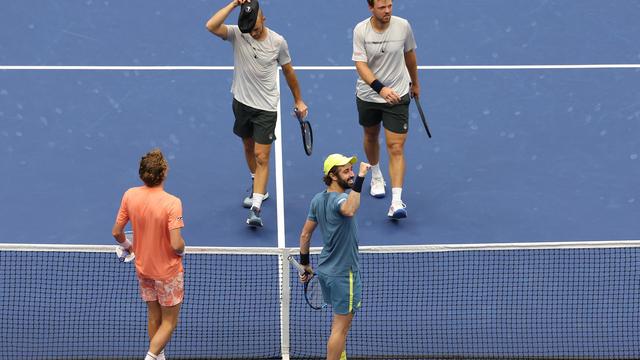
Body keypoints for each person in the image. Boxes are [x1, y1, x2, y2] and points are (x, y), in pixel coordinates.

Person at [205, 0, 309, 227]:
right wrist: (233, 4)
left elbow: (289, 72)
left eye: (256, 26)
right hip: (241, 103)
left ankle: (256, 207)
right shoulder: (238, 33)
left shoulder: (278, 42)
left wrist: (298, 100)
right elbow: (211, 26)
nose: (253, 31)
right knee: (247, 147)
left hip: (266, 109)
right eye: (249, 27)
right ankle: (257, 183)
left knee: (262, 156)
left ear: (264, 18)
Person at [112, 149, 186, 360]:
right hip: (168, 272)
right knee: (170, 321)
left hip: (143, 269)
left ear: (142, 174)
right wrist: (183, 248)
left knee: (154, 315)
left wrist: (129, 246)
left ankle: (158, 356)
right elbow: (176, 244)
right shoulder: (172, 202)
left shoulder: (130, 195)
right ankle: (152, 356)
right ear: (163, 173)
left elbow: (116, 232)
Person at [298, 154, 370, 360]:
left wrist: (305, 265)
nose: (352, 174)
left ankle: (341, 356)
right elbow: (350, 209)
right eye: (346, 171)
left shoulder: (318, 199)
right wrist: (361, 179)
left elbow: (305, 234)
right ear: (332, 175)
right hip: (343, 274)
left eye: (352, 170)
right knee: (341, 329)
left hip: (325, 271)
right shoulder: (341, 199)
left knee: (338, 319)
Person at [352, 0, 419, 219]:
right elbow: (360, 65)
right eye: (382, 7)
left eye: (390, 5)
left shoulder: (403, 26)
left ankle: (396, 201)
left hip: (398, 95)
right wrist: (380, 89)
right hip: (369, 95)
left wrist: (415, 83)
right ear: (371, 8)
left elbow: (409, 54)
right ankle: (377, 174)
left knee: (396, 147)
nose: (388, 10)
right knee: (371, 135)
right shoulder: (361, 30)